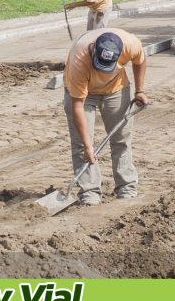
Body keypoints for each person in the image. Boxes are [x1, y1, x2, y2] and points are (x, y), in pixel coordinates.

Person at [63, 28, 149, 205]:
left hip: (116, 89)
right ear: (94, 50)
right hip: (83, 94)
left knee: (121, 139)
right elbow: (77, 106)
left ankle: (127, 187)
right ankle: (89, 192)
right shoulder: (79, 59)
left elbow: (140, 61)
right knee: (81, 144)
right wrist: (88, 146)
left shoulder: (130, 44)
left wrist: (140, 90)